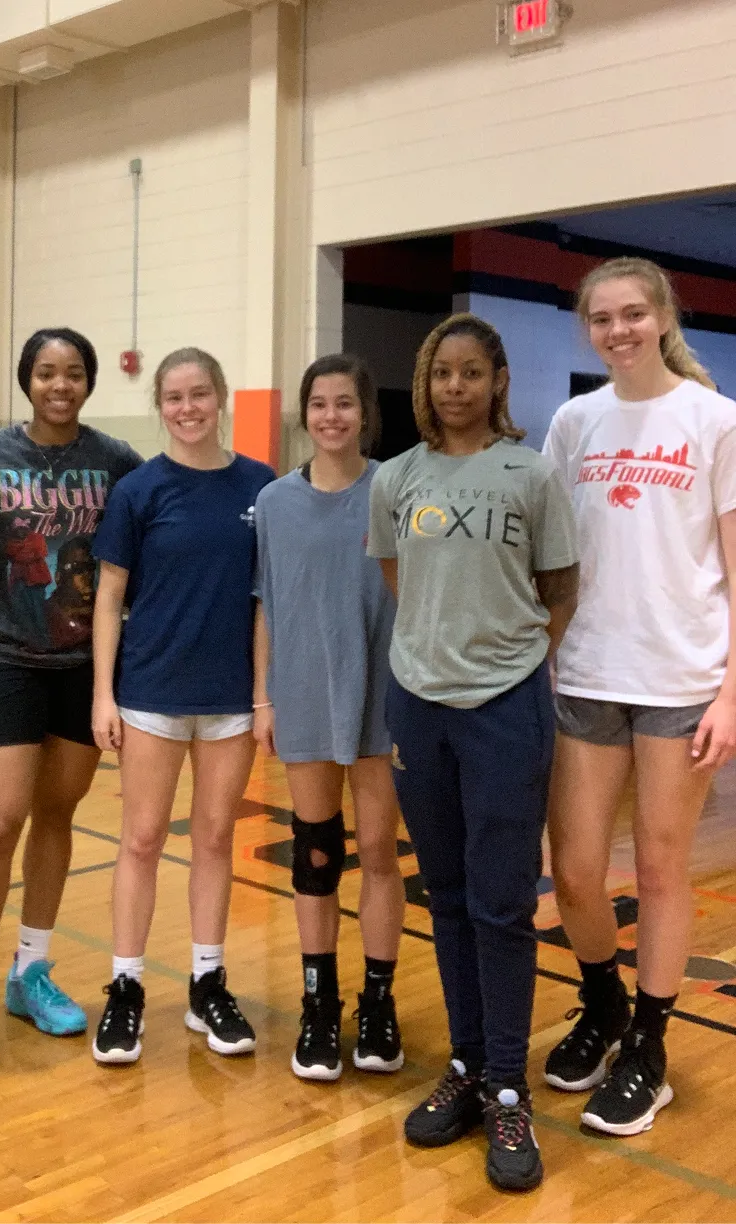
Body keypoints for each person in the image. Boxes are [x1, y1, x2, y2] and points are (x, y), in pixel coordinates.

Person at [367, 314, 579, 1193]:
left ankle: (507, 1087)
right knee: (446, 896)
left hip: (506, 708)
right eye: (441, 373)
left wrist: (505, 651)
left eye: (471, 373)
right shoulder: (396, 478)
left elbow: (559, 588)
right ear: (427, 383)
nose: (455, 387)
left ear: (496, 380)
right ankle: (464, 1065)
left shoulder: (531, 475)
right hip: (418, 707)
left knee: (500, 904)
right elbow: (397, 579)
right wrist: (439, 648)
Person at [541, 257, 736, 1137]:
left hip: (680, 681)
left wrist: (732, 691)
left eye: (631, 314)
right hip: (584, 670)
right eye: (601, 319)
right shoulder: (574, 421)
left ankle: (649, 1052)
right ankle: (604, 1007)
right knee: (576, 871)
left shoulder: (715, 421)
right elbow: (549, 556)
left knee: (659, 871)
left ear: (662, 316)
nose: (617, 330)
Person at [0, 328, 143, 1070]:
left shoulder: (116, 461)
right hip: (4, 659)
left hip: (83, 666)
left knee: (57, 815)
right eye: (48, 372)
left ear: (89, 382)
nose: (61, 384)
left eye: (75, 373)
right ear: (27, 379)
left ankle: (32, 970)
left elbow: (155, 529)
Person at [90, 348, 275, 1065]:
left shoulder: (259, 485)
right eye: (174, 397)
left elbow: (266, 603)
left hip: (228, 696)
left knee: (215, 841)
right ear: (160, 405)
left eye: (200, 394)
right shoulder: (139, 490)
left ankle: (207, 982)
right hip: (150, 694)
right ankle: (126, 987)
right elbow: (110, 595)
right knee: (139, 840)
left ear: (221, 397)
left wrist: (263, 695)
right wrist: (103, 693)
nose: (188, 407)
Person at [253, 355, 405, 1082]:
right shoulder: (276, 501)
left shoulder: (394, 488)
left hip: (382, 695)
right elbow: (266, 604)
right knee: (316, 857)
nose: (332, 417)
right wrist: (263, 697)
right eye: (320, 404)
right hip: (306, 694)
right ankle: (320, 1004)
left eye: (345, 404)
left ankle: (378, 1002)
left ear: (364, 413)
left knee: (378, 852)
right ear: (305, 414)